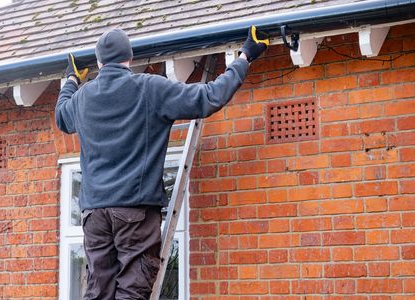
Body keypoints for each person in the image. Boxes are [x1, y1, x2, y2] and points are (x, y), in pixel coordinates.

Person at [56, 27, 268, 300]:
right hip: (134, 209)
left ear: (98, 63)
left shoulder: (83, 98)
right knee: (132, 291)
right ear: (129, 58)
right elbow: (209, 97)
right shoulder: (149, 87)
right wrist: (245, 56)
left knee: (97, 292)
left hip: (93, 214)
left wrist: (71, 78)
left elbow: (62, 116)